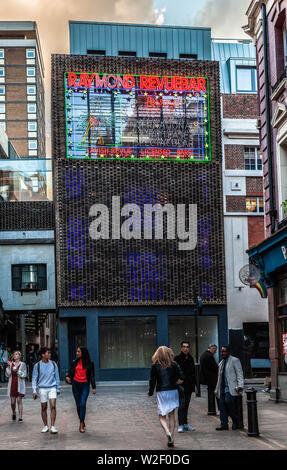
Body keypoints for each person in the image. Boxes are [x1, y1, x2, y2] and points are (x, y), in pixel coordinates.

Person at [148, 346, 184, 448]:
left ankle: (167, 432)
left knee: (161, 415)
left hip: (162, 391)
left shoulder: (155, 366)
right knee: (171, 414)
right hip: (173, 390)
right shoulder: (174, 364)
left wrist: (151, 392)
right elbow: (182, 376)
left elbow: (152, 380)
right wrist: (178, 380)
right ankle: (171, 437)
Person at [65, 347, 96, 433]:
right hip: (75, 385)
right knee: (78, 405)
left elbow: (92, 376)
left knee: (83, 404)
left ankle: (81, 424)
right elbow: (69, 372)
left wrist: (93, 387)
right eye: (77, 351)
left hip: (85, 385)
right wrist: (67, 377)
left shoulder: (90, 363)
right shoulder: (74, 362)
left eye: (78, 351)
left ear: (83, 352)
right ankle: (82, 420)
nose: (77, 353)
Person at [215, 345, 244, 431]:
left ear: (228, 352)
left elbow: (239, 374)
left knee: (228, 402)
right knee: (222, 406)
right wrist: (216, 389)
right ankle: (224, 424)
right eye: (222, 351)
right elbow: (219, 378)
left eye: (224, 351)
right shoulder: (221, 363)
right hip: (222, 388)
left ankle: (235, 421)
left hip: (231, 388)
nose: (223, 353)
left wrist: (240, 386)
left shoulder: (235, 360)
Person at [32, 347, 61, 434]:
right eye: (48, 353)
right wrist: (34, 390)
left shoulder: (53, 364)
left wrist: (58, 388)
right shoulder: (38, 366)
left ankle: (53, 426)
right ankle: (45, 426)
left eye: (50, 353)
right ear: (43, 355)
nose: (50, 354)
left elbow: (57, 376)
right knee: (44, 407)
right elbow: (34, 378)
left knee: (53, 406)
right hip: (42, 388)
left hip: (52, 387)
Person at [174, 341, 196, 433]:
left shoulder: (191, 358)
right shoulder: (177, 358)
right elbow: (174, 371)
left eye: (187, 346)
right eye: (184, 346)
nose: (185, 348)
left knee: (186, 405)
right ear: (181, 348)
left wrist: (194, 385)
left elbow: (192, 372)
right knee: (182, 405)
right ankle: (180, 425)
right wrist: (177, 380)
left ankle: (185, 423)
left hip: (189, 385)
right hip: (181, 386)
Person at [5, 351, 27, 422]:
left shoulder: (23, 364)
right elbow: (7, 375)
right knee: (12, 402)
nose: (14, 355)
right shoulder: (11, 364)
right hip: (12, 385)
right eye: (14, 354)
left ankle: (20, 417)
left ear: (20, 356)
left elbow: (24, 375)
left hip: (20, 385)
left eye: (16, 354)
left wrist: (18, 371)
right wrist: (8, 367)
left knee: (19, 400)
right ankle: (14, 412)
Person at [199, 344, 219, 415]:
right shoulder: (209, 356)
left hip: (207, 378)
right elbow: (214, 367)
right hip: (211, 378)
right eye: (215, 351)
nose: (215, 352)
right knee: (213, 394)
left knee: (211, 393)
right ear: (212, 349)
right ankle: (213, 410)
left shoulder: (203, 355)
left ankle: (211, 410)